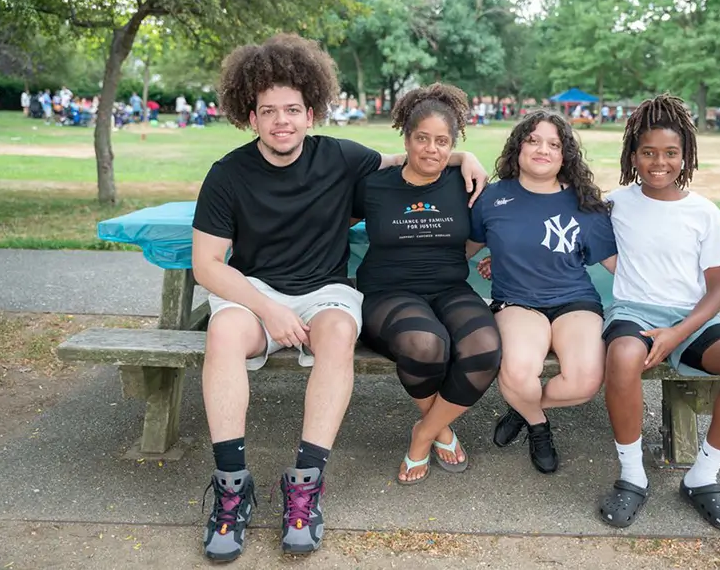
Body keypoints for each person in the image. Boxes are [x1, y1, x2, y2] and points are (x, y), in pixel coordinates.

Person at [191, 34, 488, 562]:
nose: (281, 121)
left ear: (311, 112)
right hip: (255, 292)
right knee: (222, 332)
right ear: (250, 117)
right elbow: (208, 265)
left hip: (325, 290)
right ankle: (232, 489)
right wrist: (269, 309)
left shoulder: (342, 158)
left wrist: (463, 153)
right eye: (267, 111)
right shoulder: (226, 175)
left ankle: (304, 486)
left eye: (291, 110)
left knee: (338, 334)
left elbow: (414, 156)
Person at [596, 94, 720, 531]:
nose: (659, 162)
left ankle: (702, 477)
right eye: (648, 152)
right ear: (633, 154)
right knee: (623, 357)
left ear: (685, 155)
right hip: (633, 311)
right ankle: (632, 477)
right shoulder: (614, 204)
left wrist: (676, 333)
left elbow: (718, 291)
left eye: (671, 153)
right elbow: (563, 235)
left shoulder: (704, 212)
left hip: (693, 319)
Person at [352, 83, 501, 485]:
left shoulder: (466, 182)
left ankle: (426, 430)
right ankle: (441, 432)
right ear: (407, 138)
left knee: (485, 348)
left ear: (452, 144)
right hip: (386, 293)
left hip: (450, 288)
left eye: (442, 141)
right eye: (422, 139)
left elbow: (495, 226)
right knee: (426, 344)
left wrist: (466, 158)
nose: (431, 149)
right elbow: (325, 220)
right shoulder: (374, 185)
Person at [469, 110, 617, 474]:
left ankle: (523, 409)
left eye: (553, 144)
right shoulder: (491, 198)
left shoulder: (584, 204)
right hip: (518, 304)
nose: (542, 150)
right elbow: (464, 251)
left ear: (565, 154)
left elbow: (619, 265)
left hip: (575, 303)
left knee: (584, 382)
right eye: (533, 140)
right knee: (519, 374)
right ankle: (538, 426)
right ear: (518, 147)